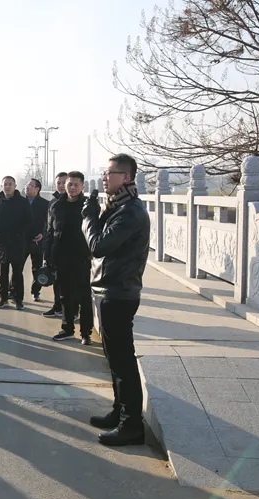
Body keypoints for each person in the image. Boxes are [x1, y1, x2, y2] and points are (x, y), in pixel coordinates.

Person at [82, 153, 150, 447]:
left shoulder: (130, 212)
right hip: (109, 290)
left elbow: (99, 245)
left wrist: (87, 217)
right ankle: (119, 411)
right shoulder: (118, 207)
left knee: (123, 362)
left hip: (118, 293)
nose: (104, 177)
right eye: (104, 172)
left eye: (110, 173)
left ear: (126, 177)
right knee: (114, 359)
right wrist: (96, 212)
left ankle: (131, 425)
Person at [45, 171, 93, 345]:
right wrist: (47, 257)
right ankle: (67, 329)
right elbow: (50, 232)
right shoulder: (56, 206)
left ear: (82, 186)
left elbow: (95, 231)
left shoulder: (88, 206)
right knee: (65, 296)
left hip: (81, 257)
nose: (72, 187)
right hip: (61, 257)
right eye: (69, 184)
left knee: (84, 296)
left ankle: (86, 332)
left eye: (75, 184)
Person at [0, 176, 31, 310]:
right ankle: (3, 299)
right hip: (1, 244)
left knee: (17, 273)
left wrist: (22, 234)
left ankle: (18, 299)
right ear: (1, 186)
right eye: (5, 184)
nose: (7, 187)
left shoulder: (23, 202)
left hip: (17, 243)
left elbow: (28, 221)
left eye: (10, 184)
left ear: (15, 186)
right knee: (3, 274)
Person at [43, 172, 69, 318]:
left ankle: (71, 311)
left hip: (71, 250)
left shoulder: (75, 202)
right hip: (55, 248)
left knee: (70, 283)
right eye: (58, 183)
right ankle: (57, 306)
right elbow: (48, 228)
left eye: (64, 183)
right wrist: (46, 252)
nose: (61, 186)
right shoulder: (53, 203)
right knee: (56, 280)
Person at [23, 178, 49, 302]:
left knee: (37, 268)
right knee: (18, 267)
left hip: (37, 240)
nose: (26, 187)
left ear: (37, 189)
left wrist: (43, 234)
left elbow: (48, 222)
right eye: (26, 185)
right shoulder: (20, 202)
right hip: (22, 240)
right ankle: (13, 291)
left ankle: (35, 291)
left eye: (30, 185)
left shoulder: (45, 204)